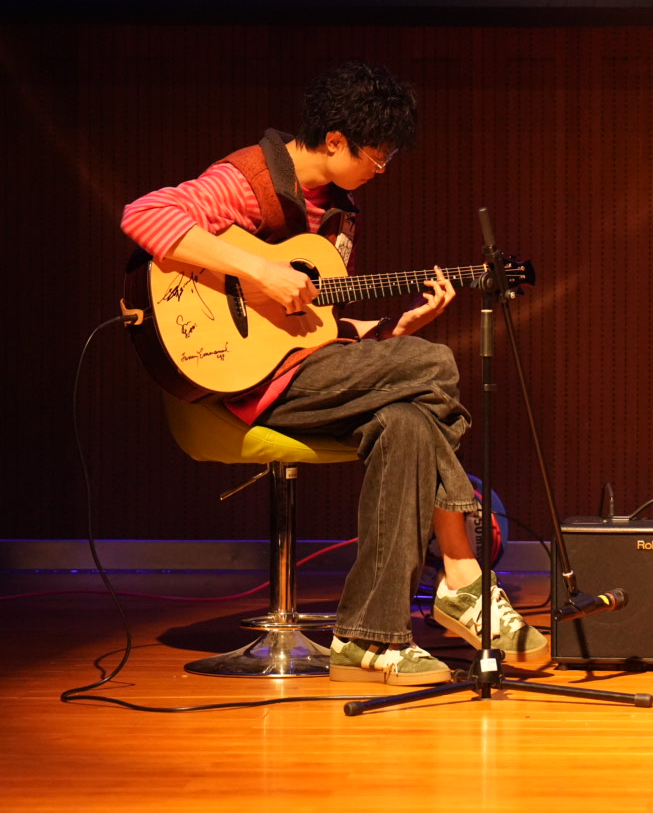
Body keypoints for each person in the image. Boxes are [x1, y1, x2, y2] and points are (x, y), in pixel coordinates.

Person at [121, 61, 549, 685]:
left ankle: (366, 640)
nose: (382, 170)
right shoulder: (250, 181)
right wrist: (258, 270)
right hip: (244, 384)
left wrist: (393, 331)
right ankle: (462, 575)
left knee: (407, 420)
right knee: (435, 363)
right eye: (378, 156)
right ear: (335, 140)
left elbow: (316, 327)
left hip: (311, 375)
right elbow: (146, 214)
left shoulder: (341, 215)